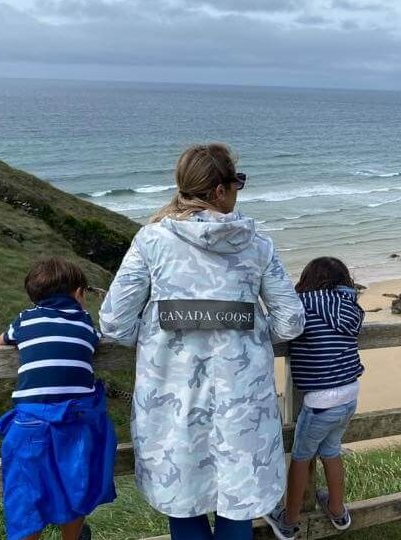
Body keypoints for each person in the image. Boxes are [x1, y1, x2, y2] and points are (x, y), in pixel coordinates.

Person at [99, 143, 305, 540]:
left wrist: (163, 332)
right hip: (241, 403)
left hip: (171, 402)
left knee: (183, 502)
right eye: (237, 183)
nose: (238, 191)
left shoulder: (151, 241)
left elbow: (114, 322)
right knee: (237, 503)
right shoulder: (257, 243)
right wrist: (249, 331)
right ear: (219, 192)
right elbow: (291, 322)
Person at [0, 257, 117, 540]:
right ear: (78, 294)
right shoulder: (85, 323)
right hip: (77, 422)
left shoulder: (25, 319)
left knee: (26, 492)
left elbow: (1, 341)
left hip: (31, 422)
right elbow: (96, 340)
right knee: (76, 484)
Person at [264, 257, 365, 540]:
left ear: (308, 280)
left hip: (321, 401)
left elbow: (282, 322)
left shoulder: (305, 303)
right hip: (349, 394)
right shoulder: (350, 306)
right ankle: (337, 510)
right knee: (331, 451)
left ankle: (288, 520)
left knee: (300, 458)